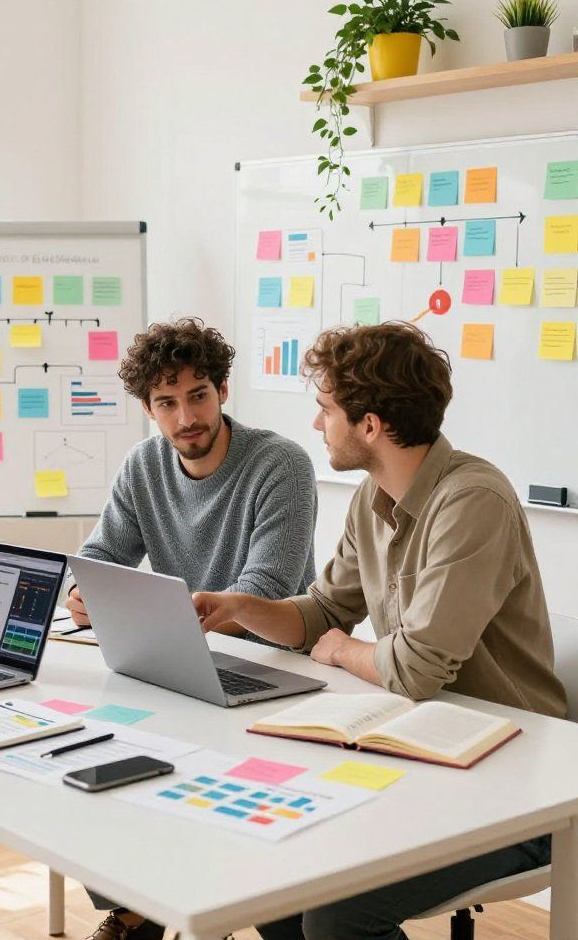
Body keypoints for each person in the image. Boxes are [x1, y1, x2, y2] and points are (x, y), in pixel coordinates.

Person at [190, 321, 565, 940]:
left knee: (338, 913)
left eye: (326, 410)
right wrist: (242, 608)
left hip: (514, 790)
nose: (317, 426)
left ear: (369, 424)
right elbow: (319, 612)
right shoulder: (372, 496)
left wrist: (339, 650)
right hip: (423, 754)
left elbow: (412, 667)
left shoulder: (473, 501)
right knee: (268, 871)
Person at [74, 318, 318, 940]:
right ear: (149, 410)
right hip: (184, 663)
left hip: (277, 669)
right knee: (96, 768)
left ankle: (165, 912)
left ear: (223, 391)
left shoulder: (280, 464)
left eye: (198, 395)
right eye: (167, 402)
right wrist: (84, 591)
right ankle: (147, 906)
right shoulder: (144, 465)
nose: (187, 416)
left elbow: (265, 587)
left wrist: (198, 615)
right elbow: (104, 551)